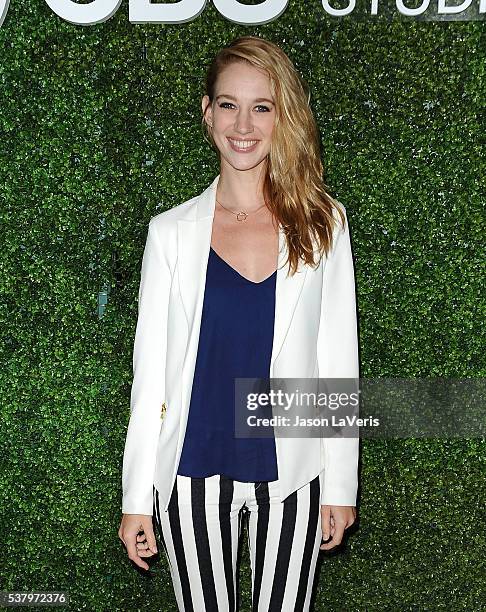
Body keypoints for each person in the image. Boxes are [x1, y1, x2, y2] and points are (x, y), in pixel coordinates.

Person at [118, 35, 359, 612]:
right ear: (207, 112)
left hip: (294, 475)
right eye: (228, 104)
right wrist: (136, 497)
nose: (243, 124)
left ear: (283, 117)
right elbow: (149, 376)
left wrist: (342, 483)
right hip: (189, 473)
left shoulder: (324, 223)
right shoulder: (170, 232)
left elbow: (336, 361)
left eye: (262, 106)